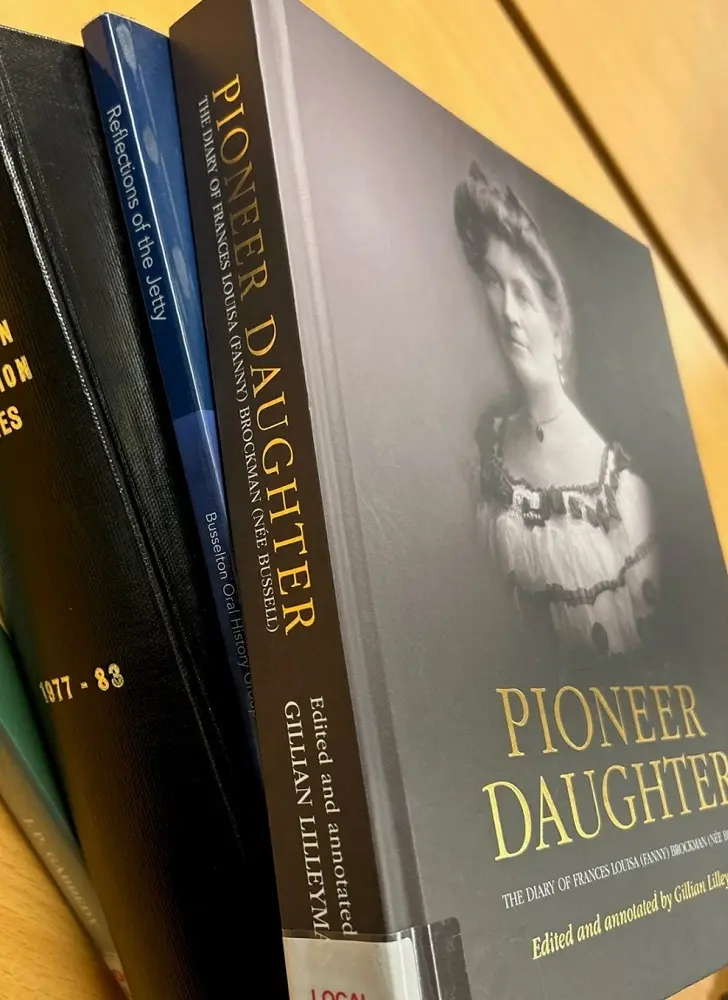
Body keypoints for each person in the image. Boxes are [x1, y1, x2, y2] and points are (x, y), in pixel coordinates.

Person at [454, 162, 659, 657]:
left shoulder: (621, 496)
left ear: (557, 323)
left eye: (523, 293)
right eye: (494, 283)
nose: (507, 312)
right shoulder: (485, 447)